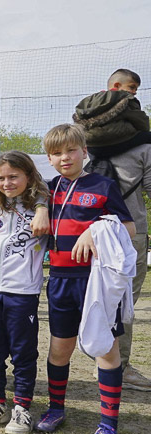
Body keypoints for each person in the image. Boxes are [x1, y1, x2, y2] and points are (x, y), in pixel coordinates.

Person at [33, 124, 135, 434]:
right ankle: (55, 409)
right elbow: (13, 184)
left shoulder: (104, 186)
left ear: (84, 152)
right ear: (49, 158)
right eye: (57, 153)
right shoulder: (47, 191)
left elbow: (129, 228)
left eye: (71, 150)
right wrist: (38, 207)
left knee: (107, 349)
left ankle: (108, 424)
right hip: (61, 282)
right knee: (59, 350)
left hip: (97, 283)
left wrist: (97, 229)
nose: (65, 157)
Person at [72, 69, 151, 391]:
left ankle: (95, 356)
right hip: (130, 233)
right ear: (117, 89)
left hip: (84, 231)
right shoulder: (144, 145)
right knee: (125, 300)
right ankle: (121, 366)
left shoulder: (80, 141)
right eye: (131, 89)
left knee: (89, 297)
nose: (134, 95)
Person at [0, 151, 49, 434]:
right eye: (1, 177)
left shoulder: (44, 203)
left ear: (28, 176)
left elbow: (48, 186)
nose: (7, 183)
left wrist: (41, 206)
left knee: (23, 353)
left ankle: (22, 406)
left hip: (22, 292)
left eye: (14, 176)